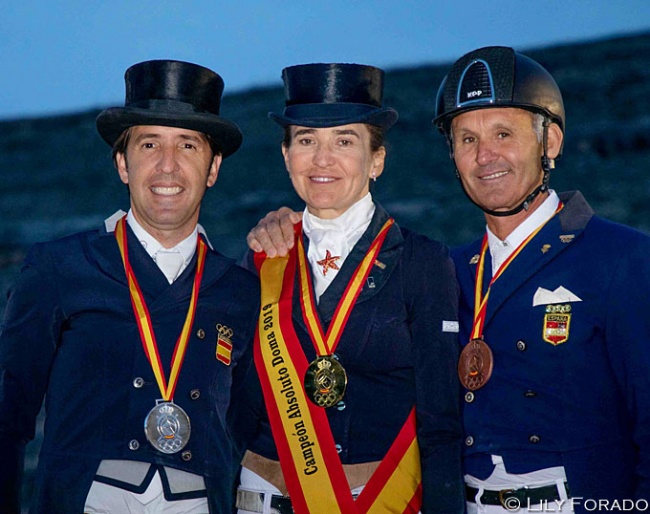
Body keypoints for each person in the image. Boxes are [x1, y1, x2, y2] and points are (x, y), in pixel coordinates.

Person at [249, 47, 650, 513]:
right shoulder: (448, 269)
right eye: (466, 140)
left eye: (504, 133)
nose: (486, 156)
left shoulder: (622, 259)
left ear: (551, 141)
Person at [0, 59, 259, 513]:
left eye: (188, 146)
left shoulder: (240, 291)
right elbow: (8, 413)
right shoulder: (58, 268)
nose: (167, 166)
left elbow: (253, 429)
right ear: (122, 163)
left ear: (213, 167)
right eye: (148, 144)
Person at [236, 63, 464, 514]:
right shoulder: (263, 257)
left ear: (377, 159)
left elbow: (442, 424)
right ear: (286, 156)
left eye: (344, 141)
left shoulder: (423, 262)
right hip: (261, 498)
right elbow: (239, 406)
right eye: (306, 141)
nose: (323, 159)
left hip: (378, 499)